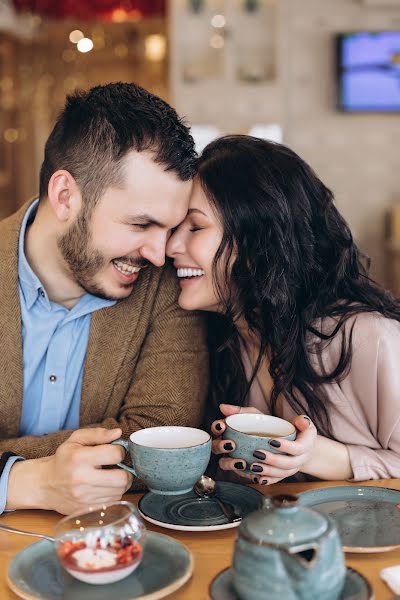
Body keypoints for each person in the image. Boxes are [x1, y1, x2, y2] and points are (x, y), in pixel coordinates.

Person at [0, 82, 208, 515]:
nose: (159, 253)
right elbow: (130, 447)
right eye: (141, 224)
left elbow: (160, 440)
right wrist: (23, 482)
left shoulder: (167, 286)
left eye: (169, 229)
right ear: (65, 197)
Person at [167, 134, 400, 485]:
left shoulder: (366, 338)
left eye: (196, 227)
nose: (170, 246)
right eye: (174, 228)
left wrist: (320, 455)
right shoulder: (221, 336)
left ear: (256, 242)